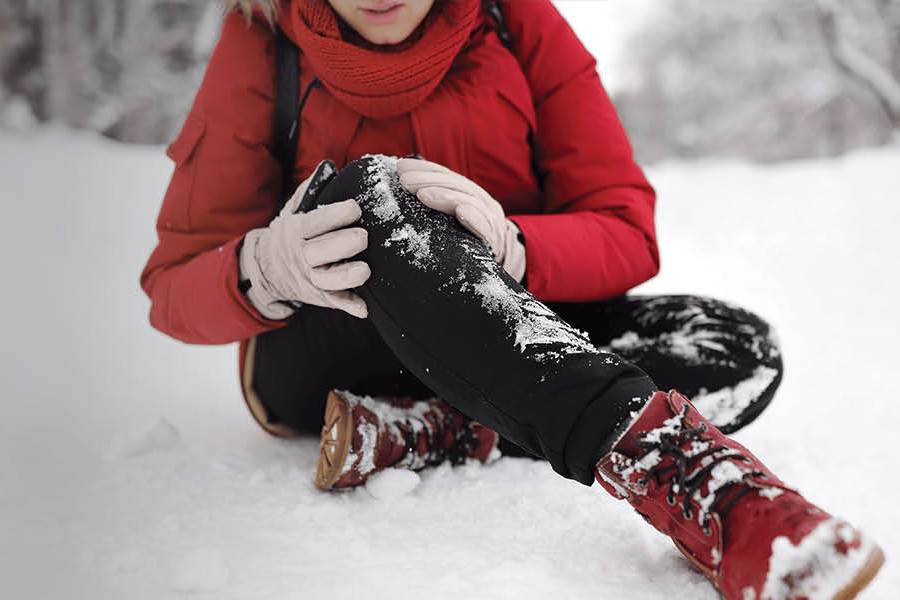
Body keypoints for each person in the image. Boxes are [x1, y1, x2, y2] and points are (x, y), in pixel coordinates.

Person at [140, 1, 884, 598]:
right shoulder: (260, 35)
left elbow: (626, 227)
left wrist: (514, 246)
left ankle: (451, 428)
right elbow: (171, 284)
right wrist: (262, 269)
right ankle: (700, 486)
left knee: (736, 347)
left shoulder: (515, 18)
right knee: (373, 192)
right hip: (330, 350)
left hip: (508, 321)